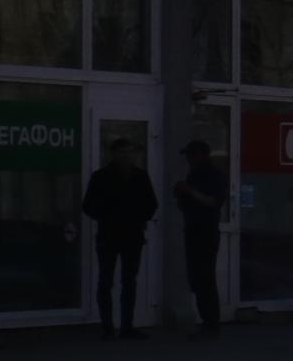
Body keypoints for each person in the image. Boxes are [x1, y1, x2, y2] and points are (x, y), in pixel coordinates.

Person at [81, 140, 161, 339]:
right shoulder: (101, 177)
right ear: (113, 154)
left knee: (129, 281)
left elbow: (152, 203)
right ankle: (107, 326)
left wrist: (138, 217)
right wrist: (108, 215)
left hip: (132, 236)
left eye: (130, 152)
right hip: (109, 235)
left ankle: (127, 325)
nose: (127, 156)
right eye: (122, 152)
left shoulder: (140, 177)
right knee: (106, 281)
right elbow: (88, 205)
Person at [174, 139, 229, 339]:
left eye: (191, 155)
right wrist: (182, 195)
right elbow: (186, 203)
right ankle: (207, 321)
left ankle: (211, 323)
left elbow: (214, 202)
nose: (188, 159)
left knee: (205, 277)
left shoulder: (213, 175)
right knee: (197, 278)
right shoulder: (194, 175)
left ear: (201, 155)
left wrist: (189, 192)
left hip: (206, 232)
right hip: (193, 229)